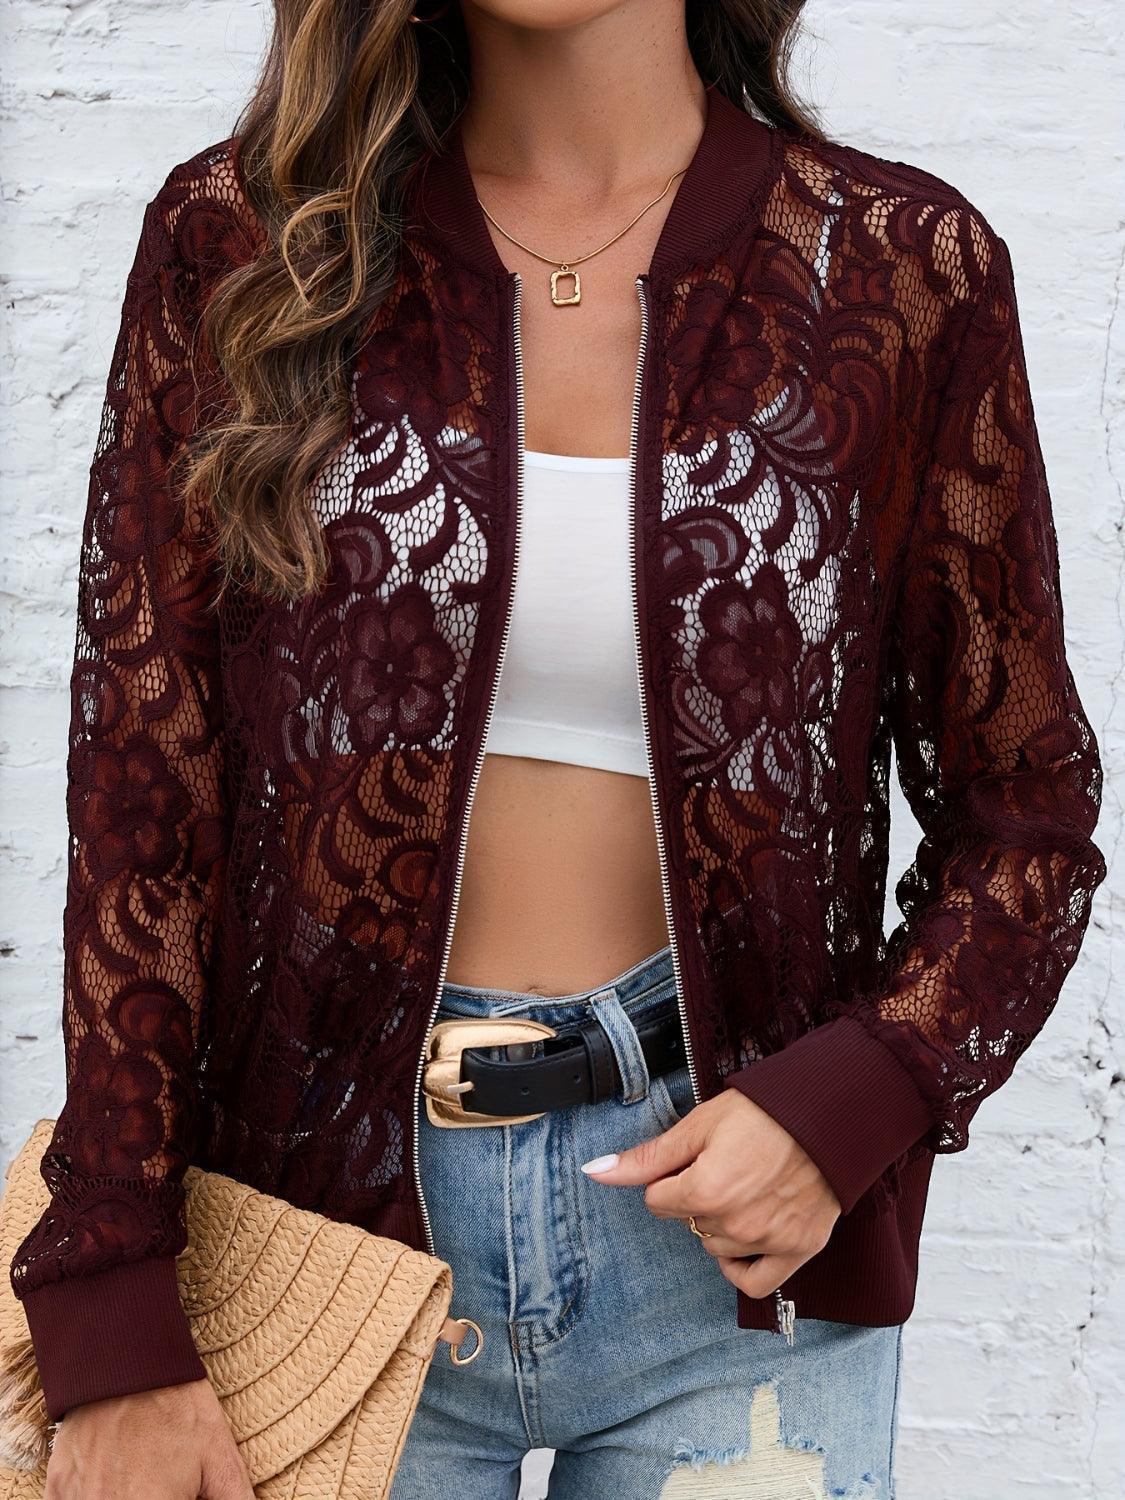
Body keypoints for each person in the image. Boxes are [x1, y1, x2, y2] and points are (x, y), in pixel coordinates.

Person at [7, 1, 1107, 1496]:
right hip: (304, 1244)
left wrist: (855, 1100)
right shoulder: (247, 245)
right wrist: (113, 1311)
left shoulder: (899, 269)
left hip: (737, 1263)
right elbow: (143, 804)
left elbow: (1025, 812)